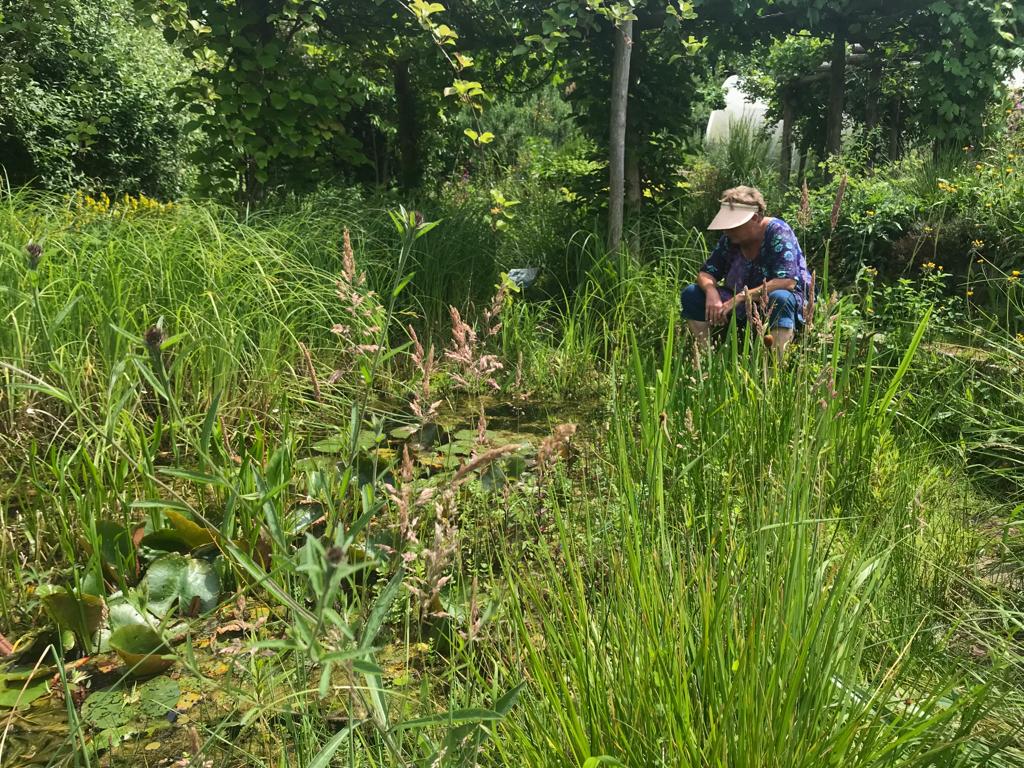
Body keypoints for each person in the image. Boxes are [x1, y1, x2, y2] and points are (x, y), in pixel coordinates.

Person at [681, 186, 811, 360]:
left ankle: (774, 370)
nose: (727, 230)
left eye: (734, 226)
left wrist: (742, 297)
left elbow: (787, 281)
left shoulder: (778, 232)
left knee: (780, 297)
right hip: (739, 301)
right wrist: (712, 292)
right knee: (692, 294)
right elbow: (706, 272)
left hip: (778, 301)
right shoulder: (730, 239)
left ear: (755, 218)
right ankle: (707, 360)